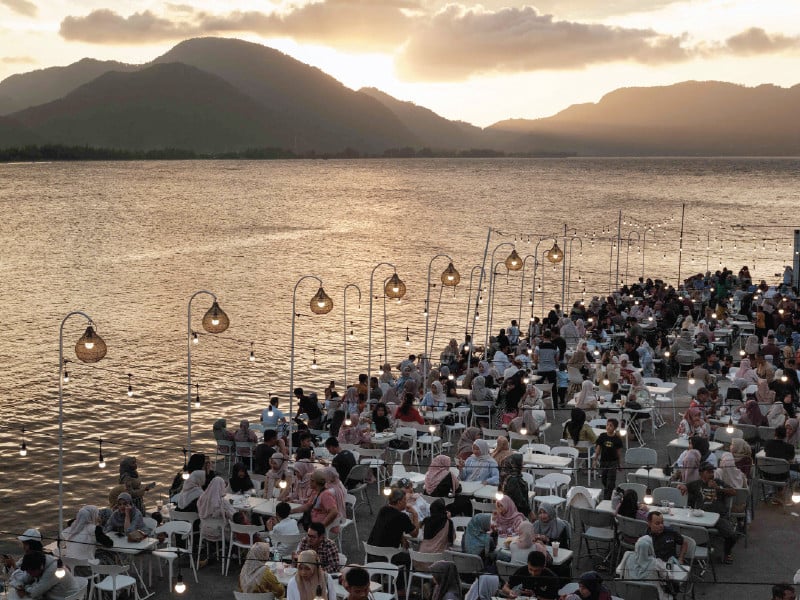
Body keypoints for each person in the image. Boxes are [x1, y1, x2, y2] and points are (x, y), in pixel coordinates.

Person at [676, 462, 738, 563]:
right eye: (708, 472)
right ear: (701, 473)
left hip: (718, 517)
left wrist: (718, 488)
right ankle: (688, 550)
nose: (711, 474)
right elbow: (684, 486)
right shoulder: (697, 484)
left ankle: (727, 553)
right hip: (700, 516)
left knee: (731, 535)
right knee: (682, 528)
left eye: (712, 472)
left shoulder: (718, 482)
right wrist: (681, 487)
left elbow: (733, 492)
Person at [17, 551, 82, 600]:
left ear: (41, 567)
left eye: (31, 572)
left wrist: (25, 588)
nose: (30, 574)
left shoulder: (53, 570)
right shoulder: (42, 561)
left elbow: (35, 593)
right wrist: (25, 585)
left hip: (66, 597)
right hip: (59, 595)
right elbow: (26, 579)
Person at [197, 476, 236, 551]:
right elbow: (233, 515)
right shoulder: (221, 502)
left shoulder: (202, 499)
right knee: (233, 526)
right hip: (218, 531)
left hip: (204, 529)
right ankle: (233, 552)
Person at [593, 419, 624, 500]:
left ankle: (606, 498)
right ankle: (610, 491)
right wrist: (595, 460)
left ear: (615, 428)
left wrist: (619, 463)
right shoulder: (602, 436)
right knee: (604, 479)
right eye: (607, 425)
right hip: (603, 462)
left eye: (611, 425)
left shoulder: (617, 439)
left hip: (613, 462)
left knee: (610, 481)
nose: (608, 427)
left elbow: (619, 453)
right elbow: (598, 449)